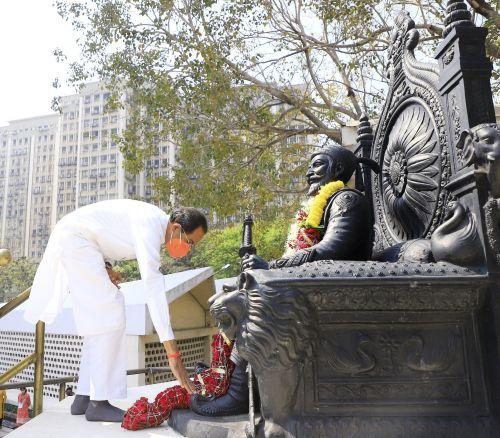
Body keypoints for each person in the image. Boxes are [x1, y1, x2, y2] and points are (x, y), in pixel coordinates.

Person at [190, 144, 379, 417]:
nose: (308, 172)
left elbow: (331, 250)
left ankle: (238, 394)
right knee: (239, 287)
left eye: (317, 165)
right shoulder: (324, 204)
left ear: (337, 169)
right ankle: (228, 376)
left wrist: (273, 267)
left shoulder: (346, 200)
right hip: (319, 281)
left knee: (251, 298)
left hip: (338, 286)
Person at [24, 200, 207, 422]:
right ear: (176, 228)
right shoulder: (150, 226)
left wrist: (107, 266)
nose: (188, 249)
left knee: (99, 320)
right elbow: (154, 289)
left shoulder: (154, 225)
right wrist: (173, 353)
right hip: (76, 239)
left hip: (80, 240)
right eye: (189, 242)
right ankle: (98, 403)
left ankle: (84, 396)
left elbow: (104, 235)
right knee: (111, 312)